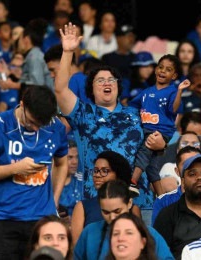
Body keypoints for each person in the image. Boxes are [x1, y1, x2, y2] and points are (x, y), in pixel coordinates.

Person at [55, 23, 165, 212]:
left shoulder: (136, 113)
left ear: (118, 87)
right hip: (97, 199)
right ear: (91, 89)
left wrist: (161, 143)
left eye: (111, 80)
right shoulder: (82, 113)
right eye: (100, 80)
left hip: (140, 199)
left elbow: (156, 143)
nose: (106, 82)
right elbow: (60, 89)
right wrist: (67, 52)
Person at [0, 85, 68, 259]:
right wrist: (15, 168)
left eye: (41, 124)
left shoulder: (55, 127)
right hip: (1, 220)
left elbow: (62, 163)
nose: (36, 128)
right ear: (22, 105)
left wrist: (55, 200)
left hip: (40, 220)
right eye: (32, 122)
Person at [128, 54, 191, 196]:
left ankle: (132, 182)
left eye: (168, 69)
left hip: (160, 132)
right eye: (160, 67)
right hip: (145, 129)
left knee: (144, 152)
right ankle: (161, 197)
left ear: (174, 76)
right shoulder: (146, 91)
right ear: (156, 69)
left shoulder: (173, 92)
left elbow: (173, 109)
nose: (163, 71)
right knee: (151, 167)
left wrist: (180, 90)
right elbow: (132, 106)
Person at [73, 179, 174, 260]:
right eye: (106, 212)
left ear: (129, 203)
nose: (112, 217)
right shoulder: (90, 231)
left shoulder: (149, 233)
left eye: (117, 211)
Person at [70, 150, 141, 247]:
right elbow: (77, 248)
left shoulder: (132, 208)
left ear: (118, 174)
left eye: (104, 171)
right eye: (96, 170)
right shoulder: (82, 207)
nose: (97, 175)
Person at [58, 139, 83, 219]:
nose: (75, 162)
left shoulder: (83, 183)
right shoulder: (49, 185)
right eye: (70, 157)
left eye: (76, 157)